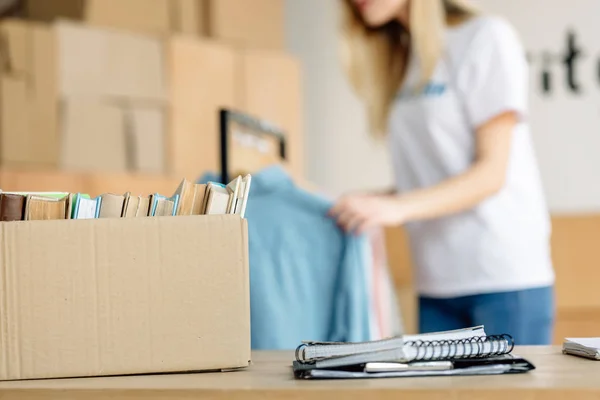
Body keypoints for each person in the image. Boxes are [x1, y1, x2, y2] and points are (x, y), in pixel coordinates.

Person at [329, 0, 555, 345]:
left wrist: (397, 208)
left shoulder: (483, 38)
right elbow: (429, 178)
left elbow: (491, 173)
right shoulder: (405, 61)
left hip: (503, 278)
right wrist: (374, 201)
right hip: (435, 280)